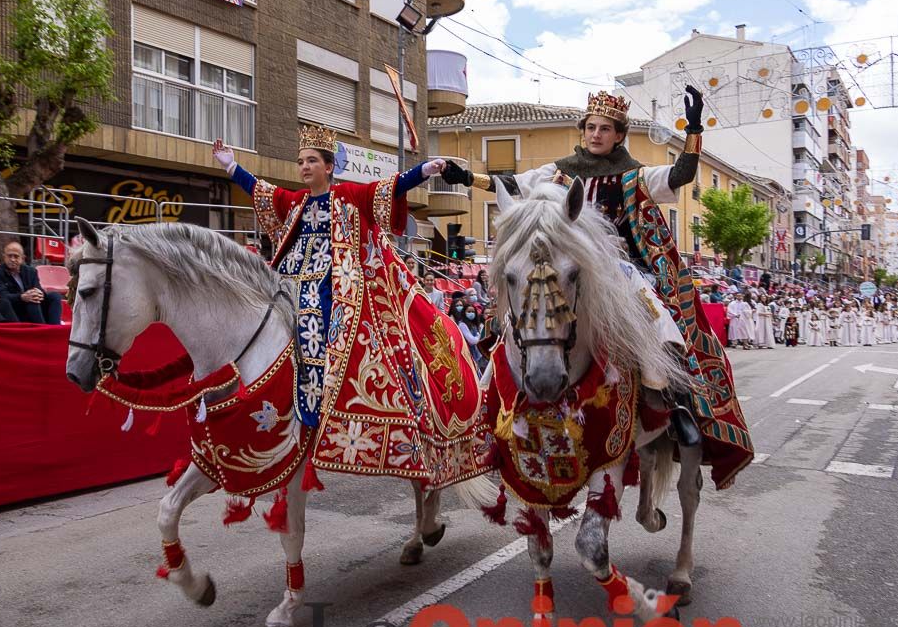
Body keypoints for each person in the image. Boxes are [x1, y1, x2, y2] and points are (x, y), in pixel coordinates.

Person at [443, 87, 756, 479]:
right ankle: (486, 400)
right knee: (515, 315)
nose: (595, 135)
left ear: (619, 135)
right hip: (566, 265)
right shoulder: (557, 172)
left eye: (605, 129)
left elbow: (681, 174)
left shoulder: (635, 174)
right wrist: (465, 176)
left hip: (618, 267)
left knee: (658, 314)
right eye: (590, 127)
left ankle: (673, 400)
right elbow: (511, 184)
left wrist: (693, 129)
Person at [213, 126, 449, 436]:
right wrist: (231, 165)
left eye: (311, 161)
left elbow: (389, 187)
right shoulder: (295, 202)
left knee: (316, 318)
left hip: (334, 285)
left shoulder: (349, 195)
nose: (304, 167)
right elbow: (260, 190)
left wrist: (424, 171)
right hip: (289, 279)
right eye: (300, 162)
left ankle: (323, 402)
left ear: (328, 166)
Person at [0, 242, 62, 324]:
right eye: (9, 256)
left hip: (34, 306)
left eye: (16, 256)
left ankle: (55, 329)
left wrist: (39, 293)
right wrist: (22, 297)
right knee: (32, 300)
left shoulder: (31, 271)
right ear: (4, 257)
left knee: (54, 296)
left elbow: (38, 288)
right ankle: (41, 330)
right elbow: (2, 295)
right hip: (15, 309)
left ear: (22, 258)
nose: (12, 259)